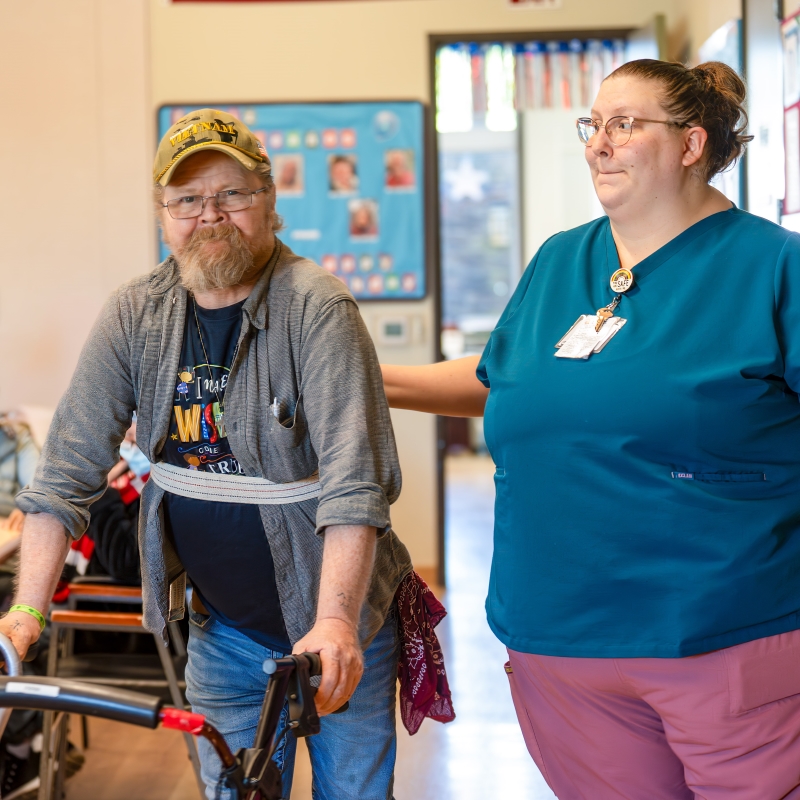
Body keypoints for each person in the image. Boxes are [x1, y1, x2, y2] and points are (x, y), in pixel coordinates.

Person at [382, 60, 800, 799]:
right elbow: (503, 378)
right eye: (594, 125)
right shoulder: (560, 260)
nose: (599, 144)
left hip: (721, 633)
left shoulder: (773, 268)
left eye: (624, 124)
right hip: (558, 636)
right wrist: (365, 383)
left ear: (691, 143)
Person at [7, 108, 412, 800]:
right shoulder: (136, 314)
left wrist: (336, 621)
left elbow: (355, 486)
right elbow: (62, 478)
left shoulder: (319, 310)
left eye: (233, 195)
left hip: (344, 625)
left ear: (269, 202)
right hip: (222, 630)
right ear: (163, 213)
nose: (210, 215)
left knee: (352, 793)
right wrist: (26, 617)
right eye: (187, 200)